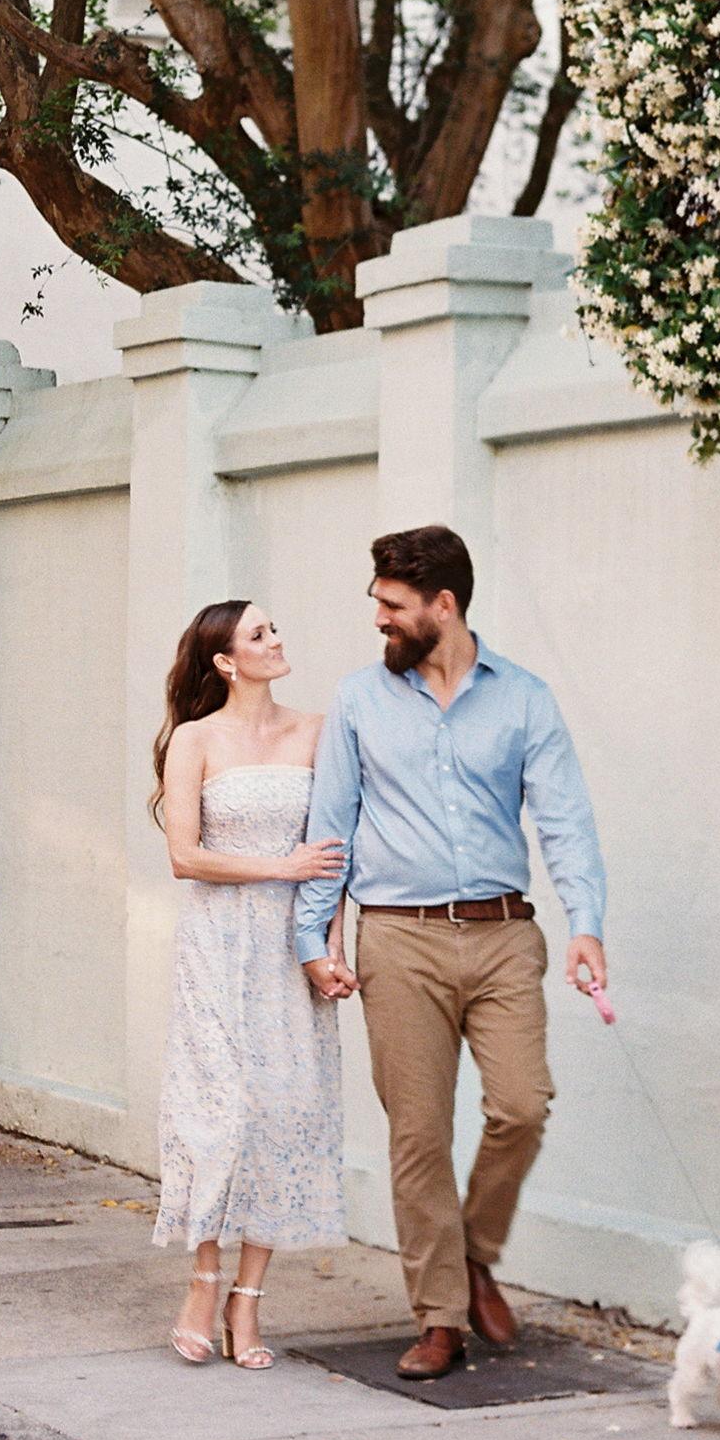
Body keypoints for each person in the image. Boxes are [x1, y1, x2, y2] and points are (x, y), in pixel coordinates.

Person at [292, 525, 609, 1379]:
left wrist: (587, 925)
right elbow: (332, 829)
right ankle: (441, 1315)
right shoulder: (360, 701)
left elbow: (565, 820)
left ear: (444, 605)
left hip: (506, 935)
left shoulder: (526, 700)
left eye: (393, 608)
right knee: (419, 1135)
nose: (380, 623)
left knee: (522, 1106)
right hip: (398, 939)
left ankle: (472, 1254)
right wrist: (311, 942)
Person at [150, 599, 349, 1370]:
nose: (277, 640)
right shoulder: (194, 740)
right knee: (218, 1110)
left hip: (290, 949)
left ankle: (249, 1300)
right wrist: (279, 867)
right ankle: (203, 1277)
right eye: (259, 634)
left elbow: (334, 856)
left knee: (283, 1111)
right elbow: (185, 856)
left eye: (275, 628)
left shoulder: (317, 731)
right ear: (225, 661)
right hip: (217, 944)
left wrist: (330, 948)